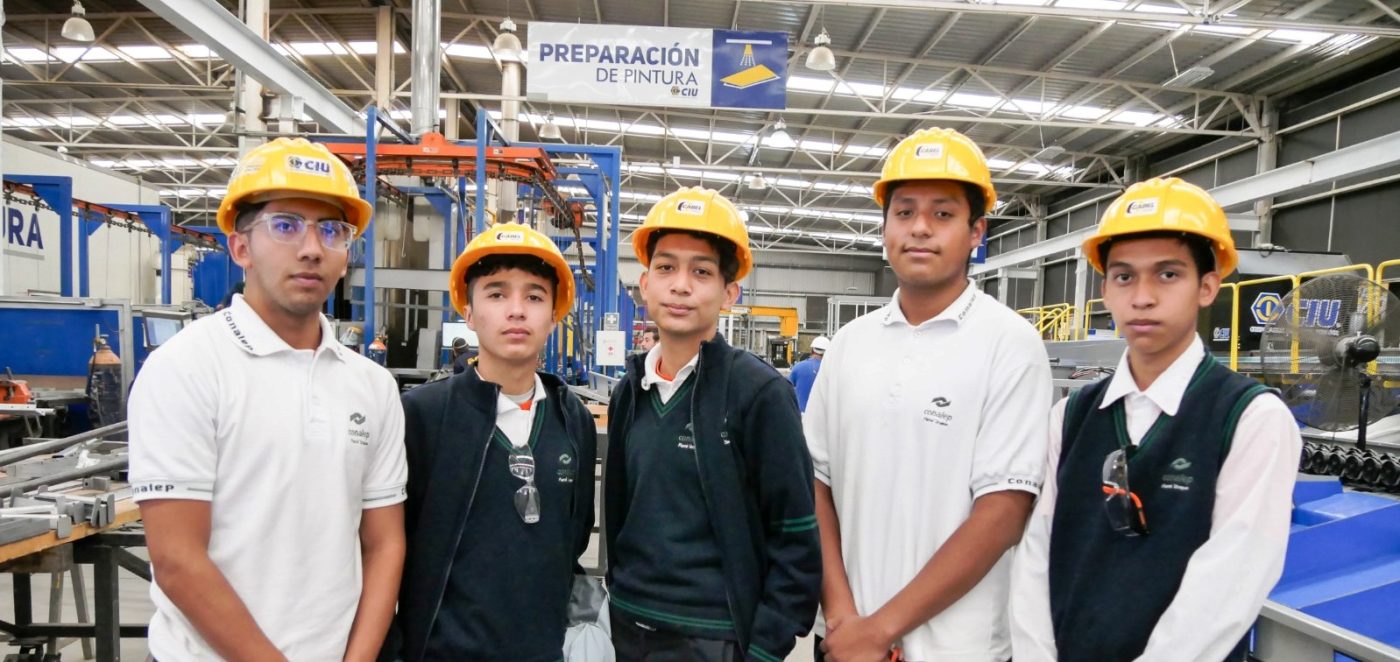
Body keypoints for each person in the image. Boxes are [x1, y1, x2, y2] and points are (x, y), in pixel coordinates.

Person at [128, 138, 406, 661]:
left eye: (332, 230)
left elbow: (384, 544)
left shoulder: (372, 386)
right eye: (285, 226)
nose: (311, 248)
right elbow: (177, 559)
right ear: (240, 248)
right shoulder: (186, 368)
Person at [1009, 178, 1301, 662]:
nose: (1142, 297)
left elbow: (1229, 583)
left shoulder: (1251, 419)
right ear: (1105, 291)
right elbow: (1036, 556)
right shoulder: (1071, 417)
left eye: (1167, 274)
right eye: (1124, 277)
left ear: (1207, 286)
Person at [805, 127, 1052, 662]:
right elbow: (816, 483)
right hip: (846, 641)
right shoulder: (850, 344)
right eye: (904, 212)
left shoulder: (1009, 344)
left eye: (942, 213)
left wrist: (882, 628)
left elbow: (1003, 512)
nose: (920, 227)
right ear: (885, 227)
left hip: (959, 649)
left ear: (976, 231)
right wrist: (843, 615)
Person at [605, 187, 821, 662]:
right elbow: (618, 511)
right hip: (628, 625)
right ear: (645, 284)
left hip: (715, 637)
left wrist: (764, 649)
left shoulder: (758, 394)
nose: (681, 285)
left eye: (701, 271)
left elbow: (797, 536)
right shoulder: (629, 392)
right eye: (666, 268)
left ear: (729, 292)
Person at [383, 223, 598, 661]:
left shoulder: (571, 418)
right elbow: (387, 548)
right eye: (497, 294)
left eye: (534, 297)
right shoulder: (422, 416)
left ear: (554, 315)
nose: (516, 311)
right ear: (468, 312)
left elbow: (573, 538)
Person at [787, 335, 829, 412]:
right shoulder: (830, 369)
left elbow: (787, 388)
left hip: (801, 414)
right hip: (821, 415)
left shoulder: (798, 367)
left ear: (812, 350)